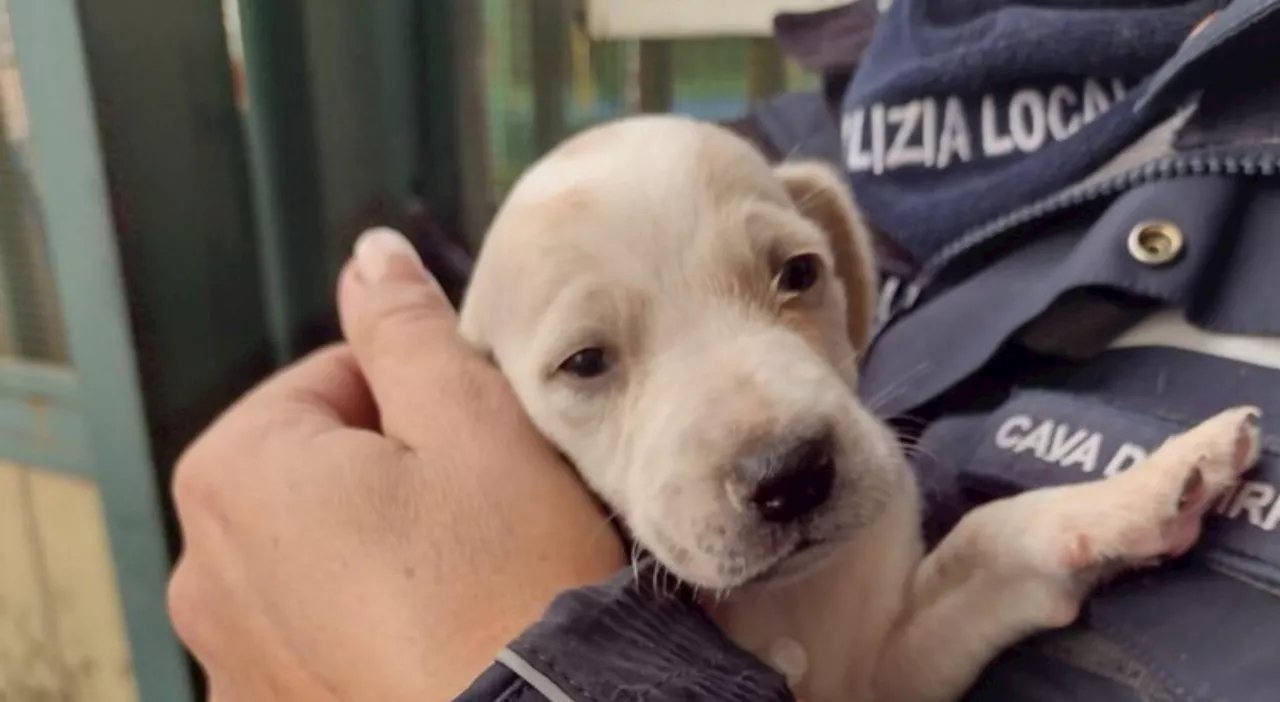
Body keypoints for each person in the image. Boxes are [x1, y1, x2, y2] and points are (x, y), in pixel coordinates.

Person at [169, 1, 1280, 700]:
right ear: (482, 409)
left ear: (842, 259)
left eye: (790, 277)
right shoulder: (833, 112)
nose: (775, 436)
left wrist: (533, 677)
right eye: (589, 363)